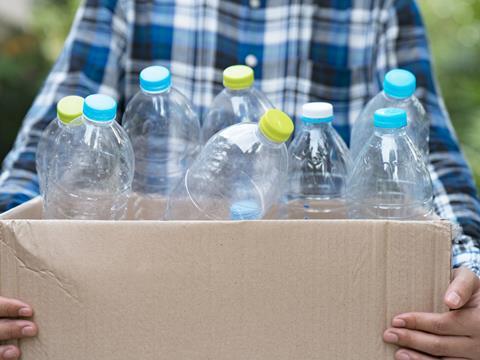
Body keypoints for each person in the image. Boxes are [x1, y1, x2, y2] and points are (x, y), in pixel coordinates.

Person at [0, 0, 479, 358]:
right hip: (148, 292)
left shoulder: (378, 5)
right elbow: (52, 144)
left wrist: (470, 268)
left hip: (316, 302)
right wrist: (5, 252)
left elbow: (429, 159)